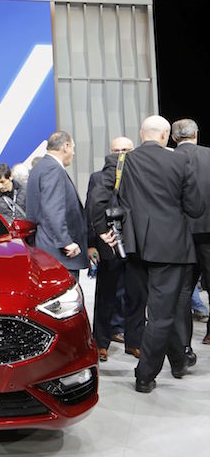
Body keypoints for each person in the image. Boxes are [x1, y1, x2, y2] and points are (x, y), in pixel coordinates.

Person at [90, 115, 204, 393]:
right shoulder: (180, 161)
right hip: (172, 247)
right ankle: (144, 375)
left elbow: (96, 200)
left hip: (135, 247)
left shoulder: (121, 161)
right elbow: (195, 207)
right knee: (163, 314)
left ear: (141, 134)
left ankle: (178, 361)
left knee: (156, 310)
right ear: (165, 136)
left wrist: (103, 230)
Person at [86, 136, 140, 362]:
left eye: (126, 149)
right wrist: (91, 243)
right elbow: (90, 211)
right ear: (110, 152)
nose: (121, 154)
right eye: (117, 150)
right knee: (106, 296)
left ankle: (134, 342)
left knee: (136, 296)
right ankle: (101, 342)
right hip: (108, 242)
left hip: (136, 243)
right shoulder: (98, 177)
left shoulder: (140, 175)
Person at [171, 119, 210, 357]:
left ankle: (183, 346)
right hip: (209, 233)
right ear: (196, 134)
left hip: (180, 235)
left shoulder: (168, 159)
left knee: (182, 292)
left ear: (173, 138)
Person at [26, 131, 88, 278]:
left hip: (45, 247)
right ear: (66, 147)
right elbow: (53, 209)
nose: (73, 153)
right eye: (73, 148)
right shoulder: (53, 169)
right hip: (58, 253)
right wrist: (65, 242)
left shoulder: (40, 167)